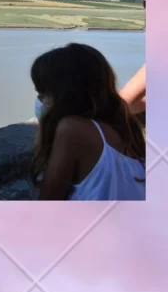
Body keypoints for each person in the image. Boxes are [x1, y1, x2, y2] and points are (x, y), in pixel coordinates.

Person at [30, 43, 145, 201]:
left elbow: (48, 202)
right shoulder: (126, 127)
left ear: (65, 93)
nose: (41, 100)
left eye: (43, 93)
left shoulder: (72, 130)